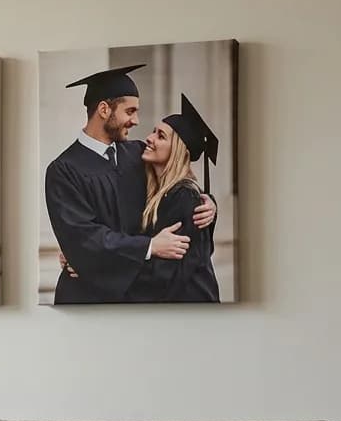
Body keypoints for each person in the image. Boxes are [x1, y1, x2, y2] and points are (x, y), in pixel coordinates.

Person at [46, 65, 216, 304]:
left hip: (133, 295)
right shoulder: (63, 170)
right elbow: (86, 238)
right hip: (87, 299)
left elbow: (176, 179)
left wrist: (208, 203)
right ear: (104, 110)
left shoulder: (136, 153)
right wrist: (149, 246)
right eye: (130, 111)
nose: (136, 121)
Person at [125, 95, 221, 302]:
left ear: (177, 151)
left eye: (161, 136)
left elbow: (165, 273)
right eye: (153, 132)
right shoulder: (159, 191)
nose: (149, 139)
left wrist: (100, 274)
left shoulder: (185, 197)